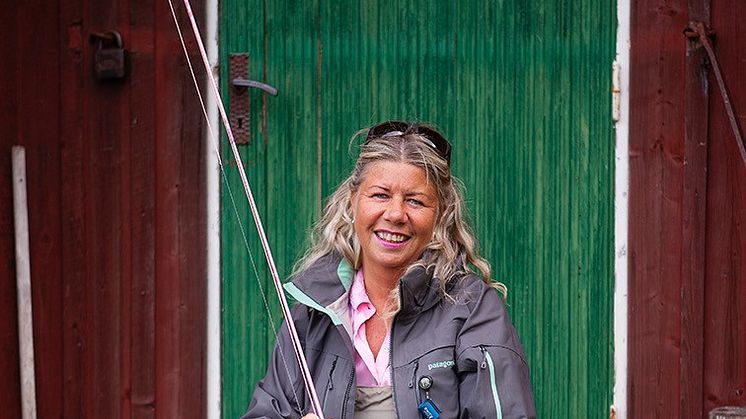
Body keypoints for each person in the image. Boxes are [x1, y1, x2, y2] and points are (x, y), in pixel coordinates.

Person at [243, 121, 535, 419]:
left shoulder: (472, 309)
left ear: (441, 213)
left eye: (415, 201)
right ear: (352, 199)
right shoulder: (313, 314)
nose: (396, 214)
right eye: (380, 195)